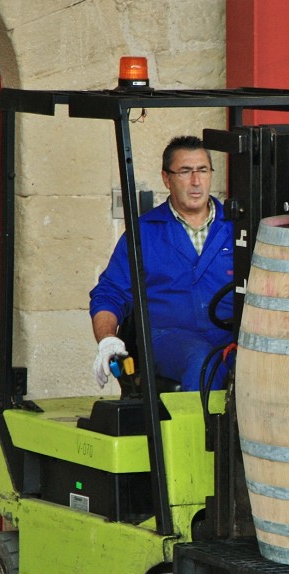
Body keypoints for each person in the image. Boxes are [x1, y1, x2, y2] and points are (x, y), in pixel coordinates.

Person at [90, 135, 234, 392]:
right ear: (166, 178)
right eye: (185, 172)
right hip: (169, 340)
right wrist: (108, 341)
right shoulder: (144, 233)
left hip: (230, 338)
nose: (196, 182)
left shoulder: (238, 228)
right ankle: (200, 434)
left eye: (203, 170)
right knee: (202, 361)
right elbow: (109, 294)